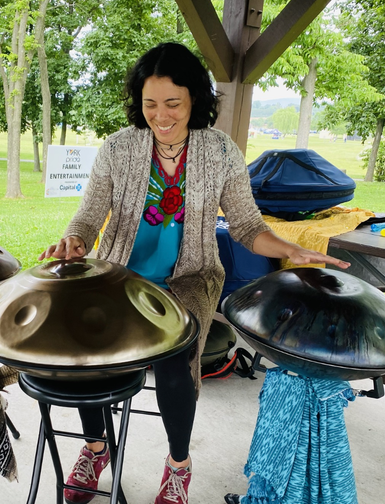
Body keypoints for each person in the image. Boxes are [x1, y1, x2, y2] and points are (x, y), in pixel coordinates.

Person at [39, 42, 350, 504]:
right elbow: (88, 216)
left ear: (195, 101)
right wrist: (76, 241)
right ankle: (96, 448)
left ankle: (178, 464)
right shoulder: (118, 147)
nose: (161, 116)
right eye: (150, 104)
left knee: (173, 366)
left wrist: (290, 249)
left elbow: (246, 225)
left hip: (189, 280)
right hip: (118, 276)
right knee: (88, 363)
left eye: (173, 104)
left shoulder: (220, 150)